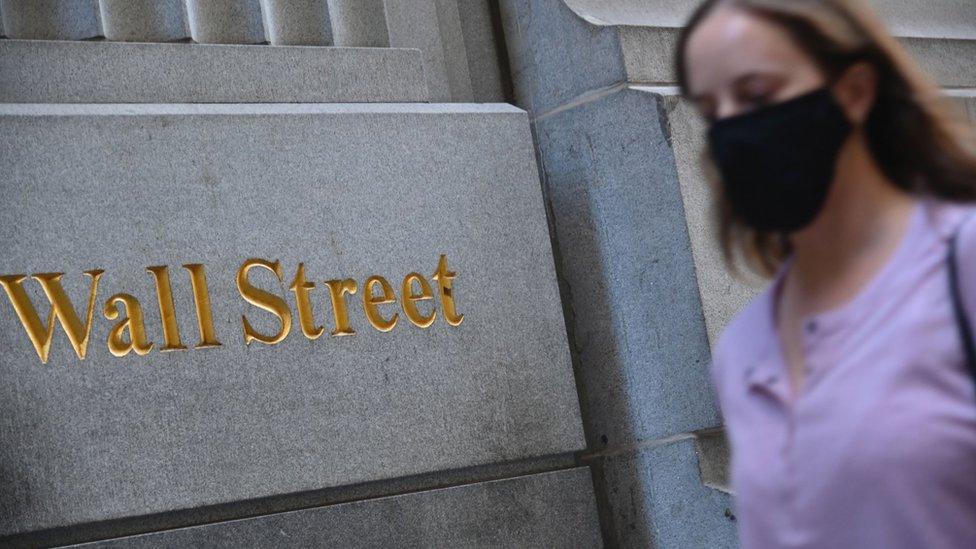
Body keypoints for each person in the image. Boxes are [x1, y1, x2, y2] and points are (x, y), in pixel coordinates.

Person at [674, 0, 976, 547]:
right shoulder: (745, 351)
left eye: (756, 95)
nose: (733, 131)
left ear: (855, 91)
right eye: (712, 111)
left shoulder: (961, 263)